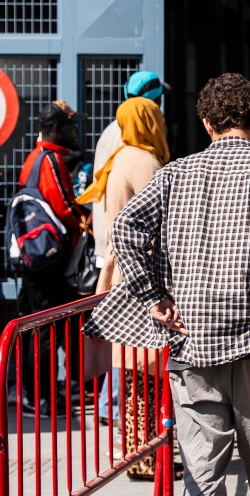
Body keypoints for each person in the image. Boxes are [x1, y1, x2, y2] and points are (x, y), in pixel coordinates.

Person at [84, 73, 250, 496]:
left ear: (206, 124)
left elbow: (124, 226)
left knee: (201, 474)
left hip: (192, 344)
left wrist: (153, 296)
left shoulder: (175, 173)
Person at [76, 96, 169, 478]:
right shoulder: (144, 161)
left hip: (123, 277)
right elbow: (159, 221)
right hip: (141, 282)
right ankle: (146, 458)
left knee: (134, 377)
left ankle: (137, 454)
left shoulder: (120, 158)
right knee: (146, 377)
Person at [18, 101, 89, 417]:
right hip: (50, 262)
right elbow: (64, 206)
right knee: (47, 331)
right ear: (58, 128)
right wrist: (86, 221)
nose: (76, 132)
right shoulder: (48, 160)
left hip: (40, 260)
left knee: (50, 328)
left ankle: (47, 394)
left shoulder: (36, 158)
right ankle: (43, 398)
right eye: (72, 126)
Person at [91, 71, 168, 274]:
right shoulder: (135, 140)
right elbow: (152, 215)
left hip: (112, 247)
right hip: (131, 260)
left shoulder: (112, 131)